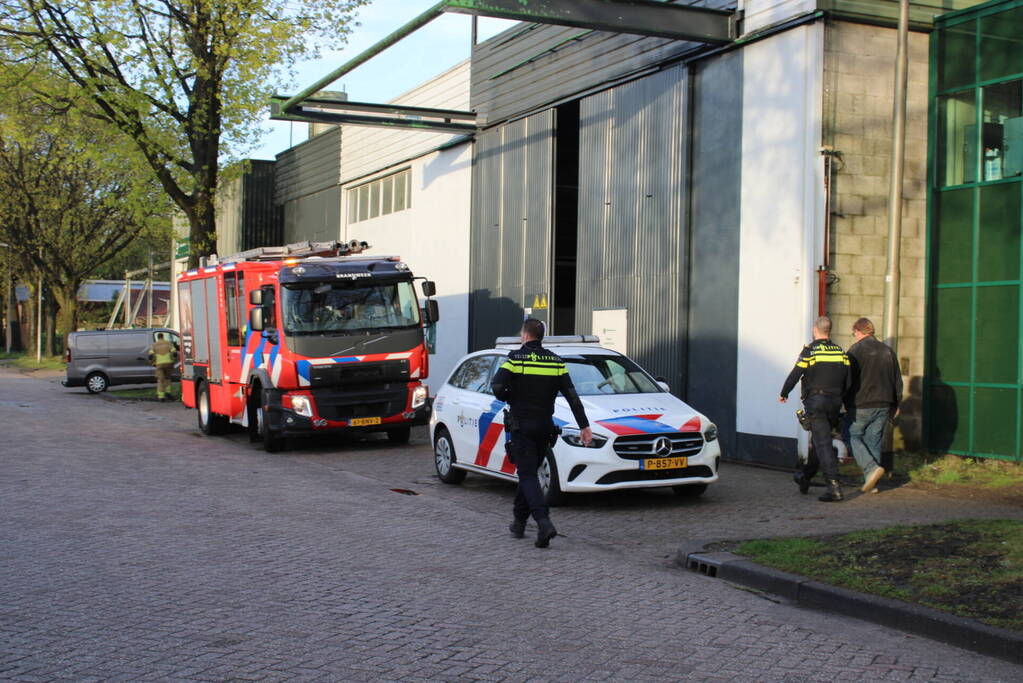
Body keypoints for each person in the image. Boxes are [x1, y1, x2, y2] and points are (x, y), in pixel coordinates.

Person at [491, 318, 592, 548]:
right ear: (541, 336)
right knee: (529, 473)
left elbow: (497, 386)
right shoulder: (556, 362)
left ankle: (543, 522)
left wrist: (510, 397)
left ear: (525, 335)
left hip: (522, 427)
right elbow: (572, 396)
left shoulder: (516, 358)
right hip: (545, 428)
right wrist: (584, 426)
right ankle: (518, 522)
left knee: (527, 475)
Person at [779, 315, 851, 502]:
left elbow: (796, 373)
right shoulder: (840, 351)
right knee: (820, 440)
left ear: (815, 330)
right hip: (835, 402)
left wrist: (784, 392)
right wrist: (843, 399)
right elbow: (848, 379)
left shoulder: (810, 351)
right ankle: (805, 476)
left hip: (817, 402)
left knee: (823, 443)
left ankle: (834, 487)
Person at [846, 317, 903, 493]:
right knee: (874, 440)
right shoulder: (888, 351)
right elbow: (897, 380)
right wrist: (897, 403)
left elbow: (848, 380)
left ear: (858, 331)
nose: (854, 336)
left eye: (854, 332)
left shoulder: (854, 351)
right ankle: (872, 483)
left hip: (862, 403)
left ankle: (871, 469)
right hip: (885, 403)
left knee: (851, 435)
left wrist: (844, 401)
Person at [147, 332, 178, 402]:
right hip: (168, 364)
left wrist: (152, 362)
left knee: (160, 380)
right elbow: (174, 352)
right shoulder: (168, 343)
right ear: (163, 336)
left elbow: (151, 355)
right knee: (168, 378)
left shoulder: (154, 345)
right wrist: (174, 360)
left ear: (158, 337)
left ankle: (161, 397)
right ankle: (168, 393)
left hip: (159, 365)